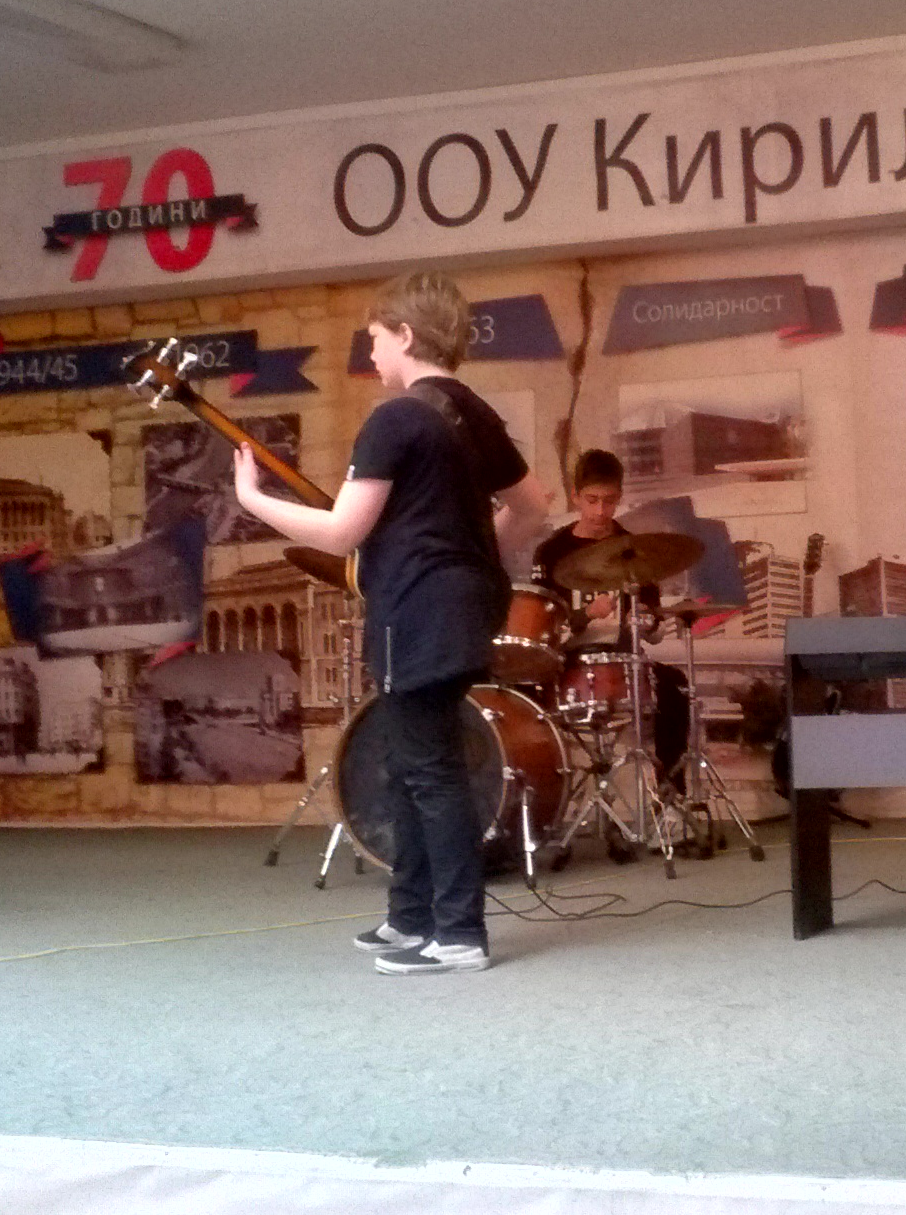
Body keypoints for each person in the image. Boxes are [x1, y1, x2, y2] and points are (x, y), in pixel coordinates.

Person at [234, 272, 548, 974]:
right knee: (410, 763)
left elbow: (342, 532)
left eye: (374, 338)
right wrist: (469, 556)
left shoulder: (396, 419)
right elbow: (534, 508)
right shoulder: (474, 413)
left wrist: (250, 500)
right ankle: (410, 918)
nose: (370, 353)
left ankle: (459, 933)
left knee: (430, 771)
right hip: (461, 606)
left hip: (416, 611)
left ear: (406, 335)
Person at [530, 449, 692, 781]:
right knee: (526, 699)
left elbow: (654, 630)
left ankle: (670, 791)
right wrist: (585, 615)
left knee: (676, 686)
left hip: (625, 661)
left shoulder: (637, 549)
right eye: (592, 500)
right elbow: (542, 629)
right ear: (575, 496)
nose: (600, 511)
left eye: (609, 501)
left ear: (619, 498)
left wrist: (646, 621)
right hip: (569, 664)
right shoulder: (551, 552)